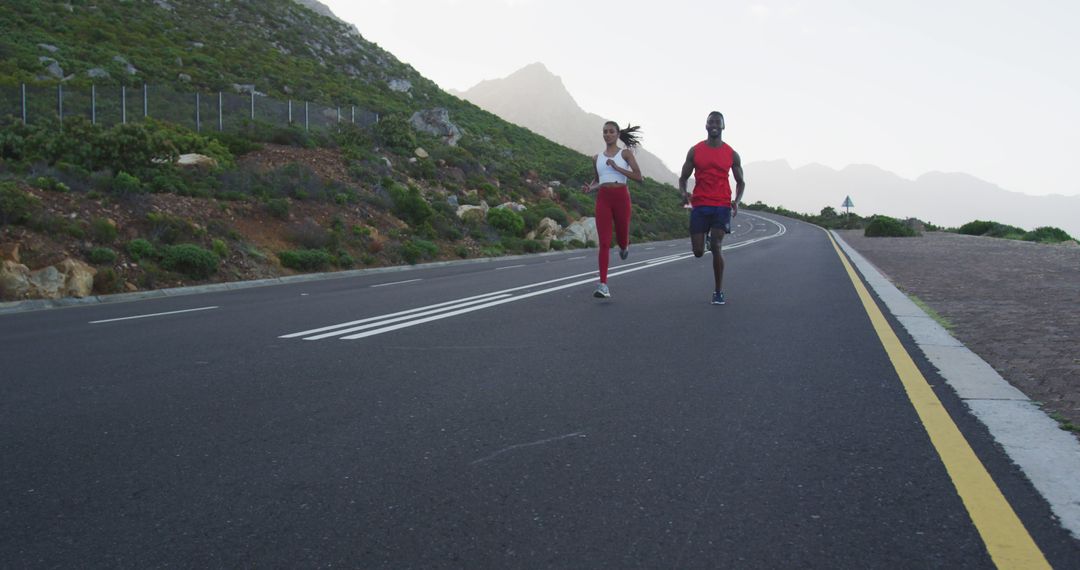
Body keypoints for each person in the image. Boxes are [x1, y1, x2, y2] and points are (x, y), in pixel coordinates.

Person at [678, 111, 745, 305]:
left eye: (718, 122)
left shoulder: (731, 154)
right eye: (711, 122)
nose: (714, 124)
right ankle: (704, 240)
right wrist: (685, 195)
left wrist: (737, 201)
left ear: (723, 126)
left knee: (717, 246)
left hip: (721, 205)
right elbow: (682, 179)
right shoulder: (695, 150)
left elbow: (741, 182)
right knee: (698, 252)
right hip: (699, 204)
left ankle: (718, 291)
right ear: (706, 126)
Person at [582, 120, 643, 298]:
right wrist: (590, 188)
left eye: (611, 131)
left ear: (617, 134)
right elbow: (598, 180)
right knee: (604, 242)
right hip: (603, 199)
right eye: (605, 131)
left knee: (622, 237)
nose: (607, 134)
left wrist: (617, 168)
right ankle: (603, 285)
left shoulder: (625, 154)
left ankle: (624, 246)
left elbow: (639, 177)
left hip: (621, 198)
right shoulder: (597, 158)